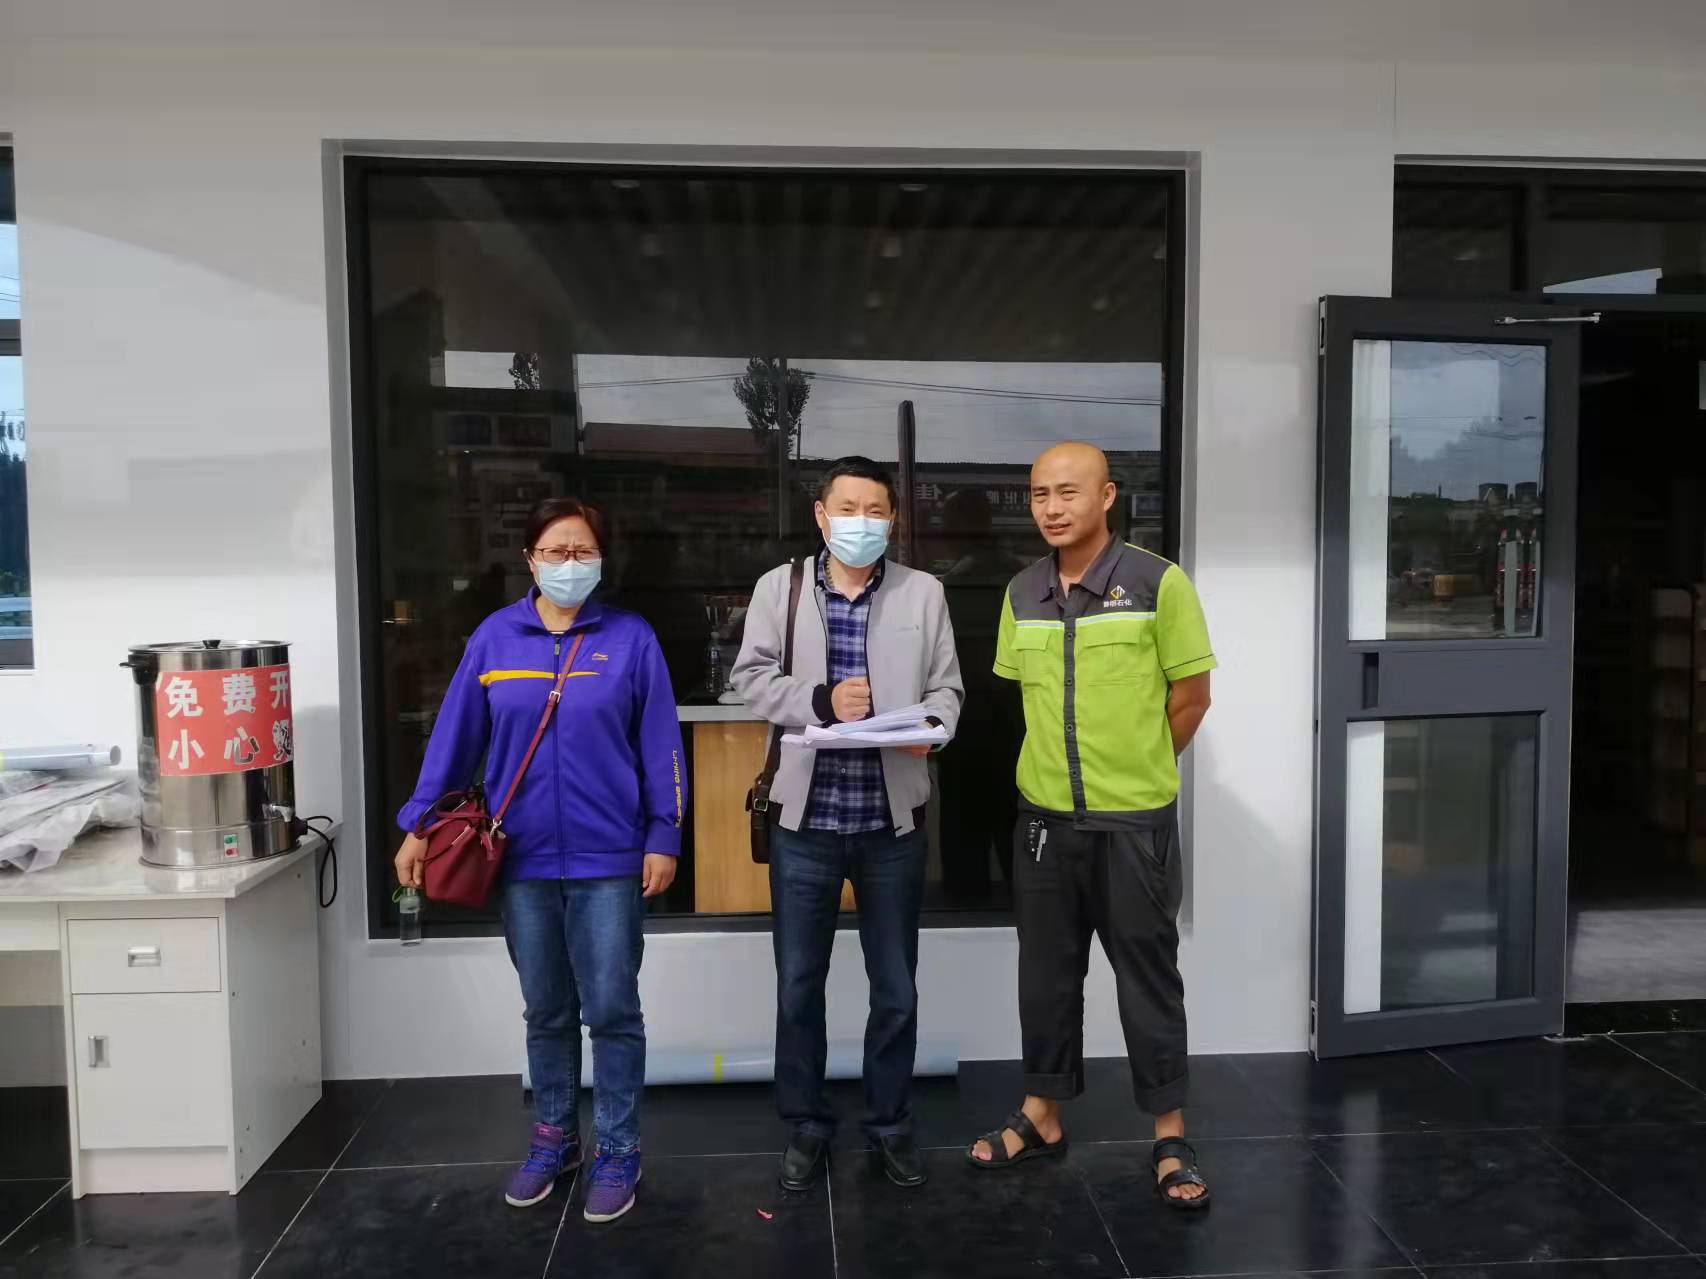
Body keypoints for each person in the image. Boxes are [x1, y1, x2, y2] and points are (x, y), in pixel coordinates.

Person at [393, 496, 685, 1224]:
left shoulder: (630, 639)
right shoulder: (495, 639)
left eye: (582, 551)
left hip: (609, 857)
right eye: (555, 551)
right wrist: (419, 824)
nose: (569, 564)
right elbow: (454, 739)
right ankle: (555, 1138)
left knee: (612, 1008)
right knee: (547, 1008)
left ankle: (618, 1147)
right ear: (530, 560)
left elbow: (661, 746)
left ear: (602, 559)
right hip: (520, 857)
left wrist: (664, 834)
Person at [966, 442, 1215, 1211]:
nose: (1052, 506)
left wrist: (1138, 766)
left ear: (1107, 496)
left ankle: (1170, 1133)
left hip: (1132, 824)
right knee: (1045, 977)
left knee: (1148, 979)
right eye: (1040, 493)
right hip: (1043, 823)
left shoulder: (1158, 583)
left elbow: (1191, 698)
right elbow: (1020, 702)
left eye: (1068, 491)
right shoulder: (1021, 593)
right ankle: (1041, 1111)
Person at [731, 456, 964, 1192]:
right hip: (806, 823)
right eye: (848, 508)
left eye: (875, 510)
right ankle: (807, 1122)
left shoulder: (923, 592)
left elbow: (948, 690)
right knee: (799, 984)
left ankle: (890, 1122)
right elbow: (749, 678)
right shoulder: (781, 587)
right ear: (821, 515)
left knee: (895, 986)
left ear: (893, 519)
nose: (861, 522)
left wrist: (934, 729)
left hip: (891, 824)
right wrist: (821, 701)